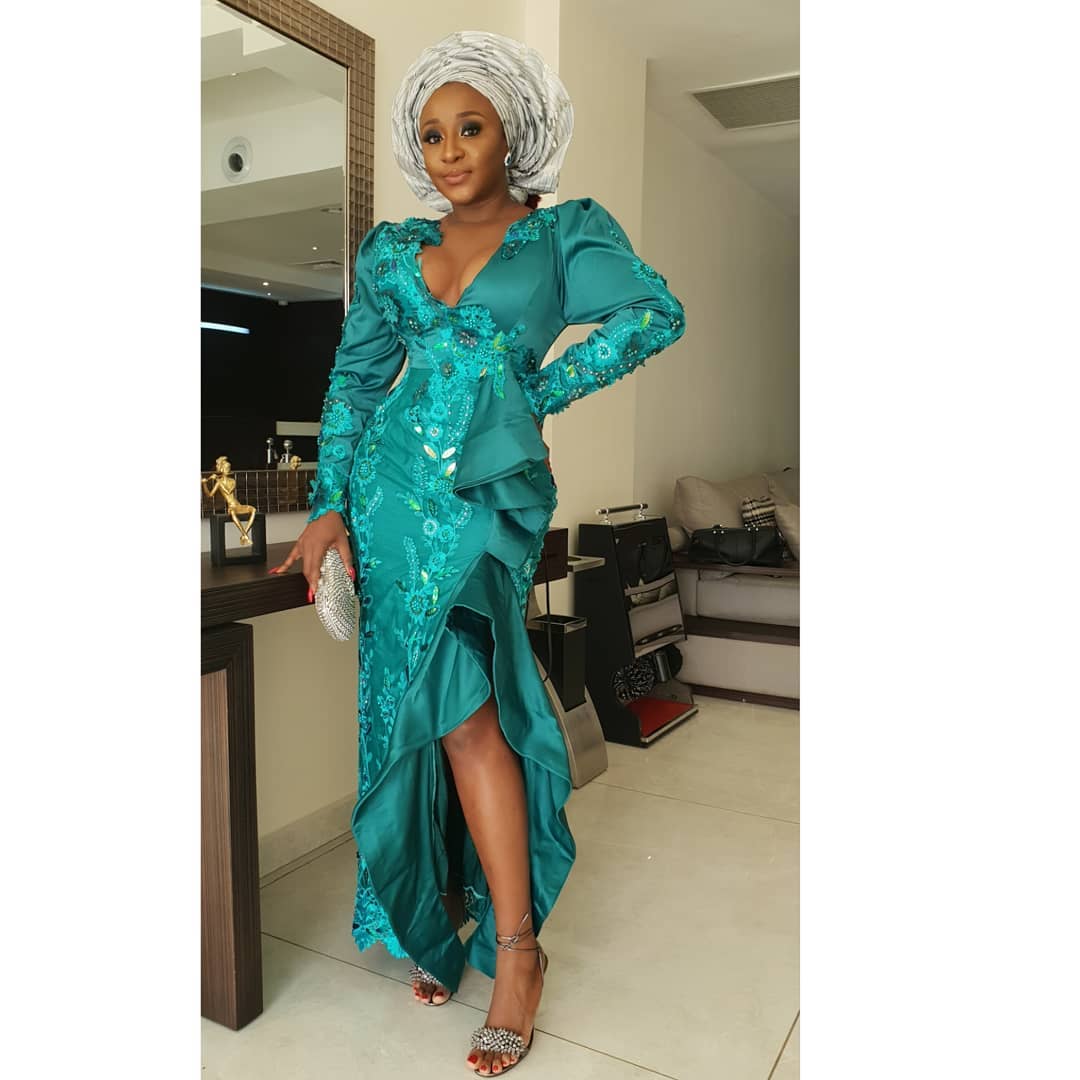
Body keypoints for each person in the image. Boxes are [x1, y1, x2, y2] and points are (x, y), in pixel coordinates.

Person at [270, 29, 686, 1075]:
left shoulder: (562, 238)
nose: (449, 150)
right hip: (387, 504)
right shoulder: (390, 253)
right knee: (411, 712)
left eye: (470, 128)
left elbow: (655, 313)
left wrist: (538, 388)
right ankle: (435, 910)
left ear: (512, 134)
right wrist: (325, 509)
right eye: (432, 134)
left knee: (468, 714)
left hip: (488, 502)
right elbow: (354, 383)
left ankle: (518, 953)